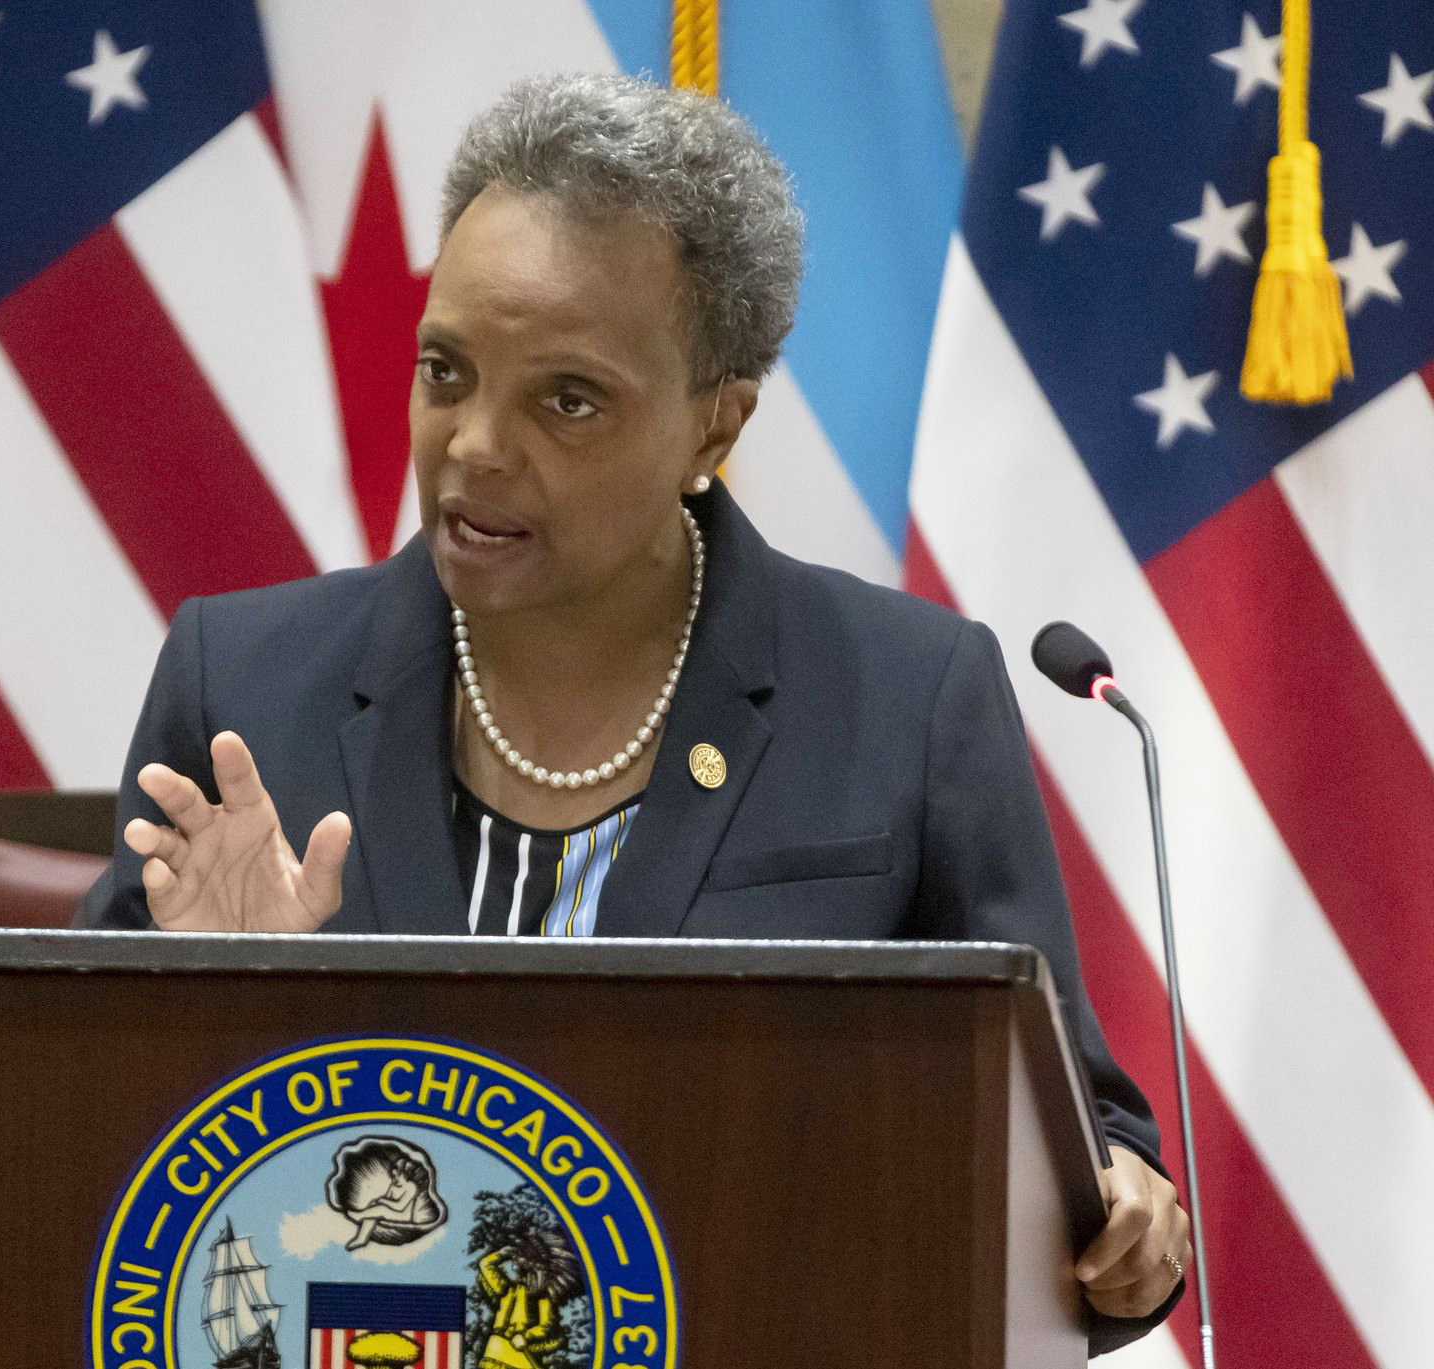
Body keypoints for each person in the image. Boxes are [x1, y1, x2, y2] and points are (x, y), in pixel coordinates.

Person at [76, 72, 1187, 1350]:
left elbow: (1079, 1173)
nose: (475, 443)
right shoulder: (245, 680)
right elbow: (76, 1177)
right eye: (446, 370)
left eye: (567, 399)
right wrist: (206, 1001)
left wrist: (1127, 1226)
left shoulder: (904, 696)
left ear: (714, 421)